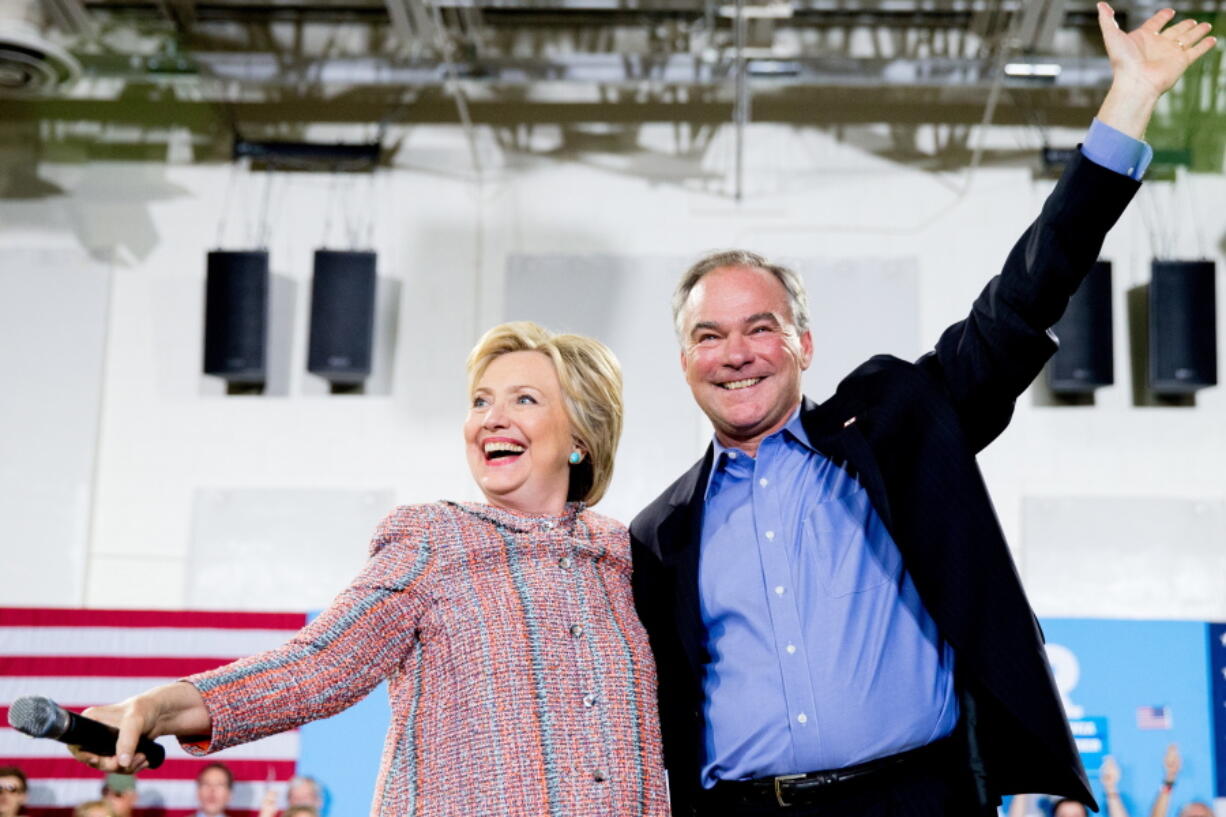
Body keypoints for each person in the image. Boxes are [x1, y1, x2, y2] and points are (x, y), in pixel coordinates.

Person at [629, 5, 1217, 816]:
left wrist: (1128, 103)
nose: (735, 352)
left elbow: (1019, 305)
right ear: (685, 360)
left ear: (804, 343)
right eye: (709, 334)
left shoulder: (896, 423)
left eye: (760, 327)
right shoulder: (658, 534)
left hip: (914, 798)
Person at [66, 321, 668, 817]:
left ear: (580, 438)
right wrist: (153, 710)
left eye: (524, 399)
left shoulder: (621, 554)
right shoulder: (435, 538)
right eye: (481, 401)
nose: (491, 417)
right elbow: (317, 665)